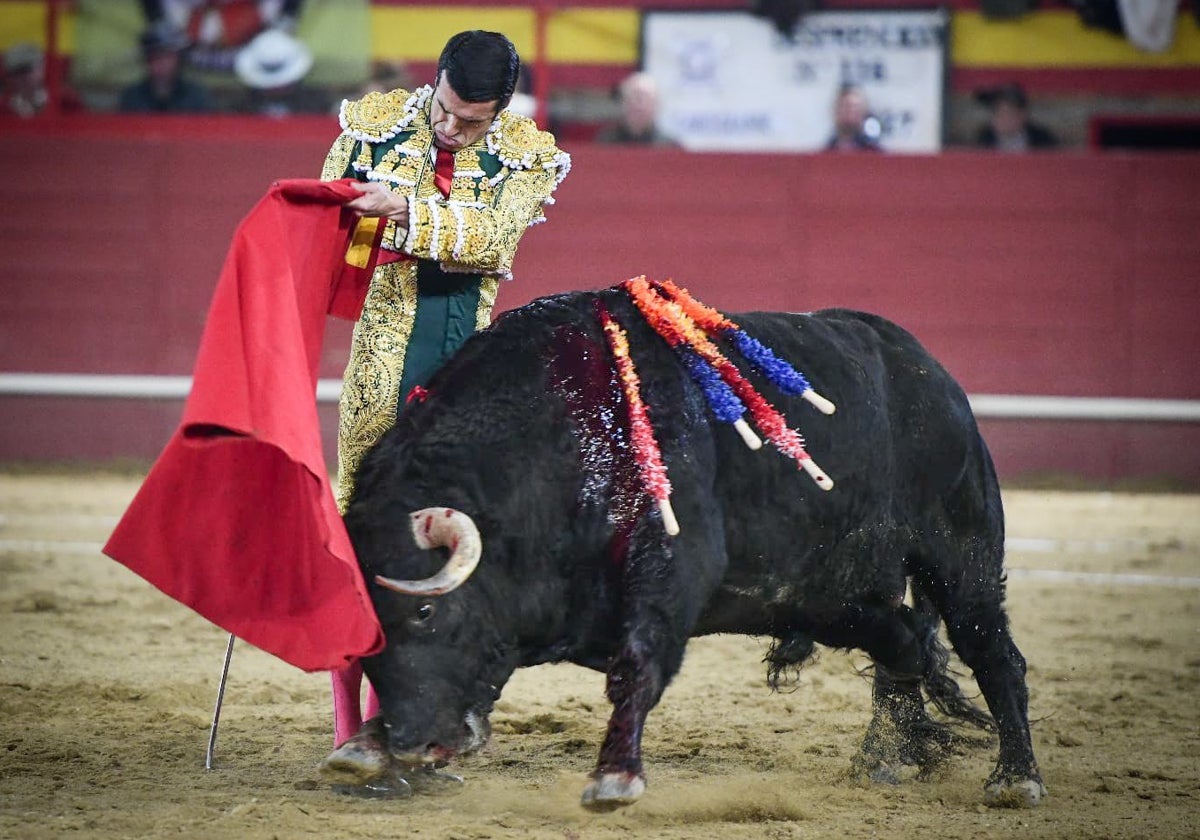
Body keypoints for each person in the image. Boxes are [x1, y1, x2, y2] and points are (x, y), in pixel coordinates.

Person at [317, 29, 570, 790]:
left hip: (466, 386)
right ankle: (349, 730)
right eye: (449, 113)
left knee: (455, 559)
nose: (453, 130)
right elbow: (328, 234)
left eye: (474, 122)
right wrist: (347, 224)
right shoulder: (372, 129)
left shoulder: (526, 156)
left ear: (501, 112)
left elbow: (494, 241)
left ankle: (422, 724)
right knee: (364, 542)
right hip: (380, 376)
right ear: (436, 84)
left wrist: (402, 210)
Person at [119, 23, 212, 113]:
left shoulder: (196, 96)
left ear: (179, 59)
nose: (161, 63)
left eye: (167, 56)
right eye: (155, 57)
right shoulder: (132, 96)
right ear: (146, 60)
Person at [595, 71, 678, 146]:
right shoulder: (607, 141)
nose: (639, 106)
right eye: (634, 98)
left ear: (656, 105)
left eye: (645, 99)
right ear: (623, 103)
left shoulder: (667, 145)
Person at [975, 82, 1057, 152]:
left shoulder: (1042, 140)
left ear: (1022, 114)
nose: (1000, 118)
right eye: (995, 112)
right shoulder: (984, 140)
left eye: (1007, 112)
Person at [824, 84, 882, 152]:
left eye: (855, 108)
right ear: (836, 111)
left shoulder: (875, 155)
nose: (851, 112)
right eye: (846, 107)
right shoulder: (824, 155)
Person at [1, 43, 48, 118]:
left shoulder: (65, 101)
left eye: (26, 70)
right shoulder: (3, 107)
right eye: (15, 72)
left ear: (41, 68)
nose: (21, 78)